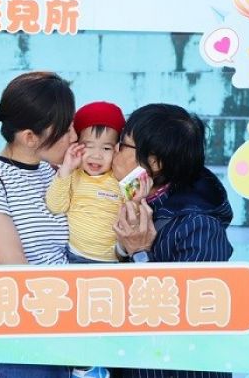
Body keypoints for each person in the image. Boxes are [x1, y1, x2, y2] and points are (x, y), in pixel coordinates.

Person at [0, 71, 77, 378]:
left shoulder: (56, 173)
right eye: (65, 129)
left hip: (71, 332)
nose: (74, 136)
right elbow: (13, 266)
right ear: (29, 137)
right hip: (22, 340)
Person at [111, 103, 234, 378]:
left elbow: (190, 318)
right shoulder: (139, 202)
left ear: (154, 163)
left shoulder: (199, 226)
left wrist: (140, 253)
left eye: (122, 144)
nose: (114, 150)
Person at [46, 101, 126, 264]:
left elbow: (132, 214)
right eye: (88, 146)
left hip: (113, 261)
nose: (96, 155)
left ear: (117, 150)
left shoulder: (119, 178)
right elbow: (56, 207)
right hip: (75, 257)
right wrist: (66, 169)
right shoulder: (73, 175)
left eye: (106, 148)